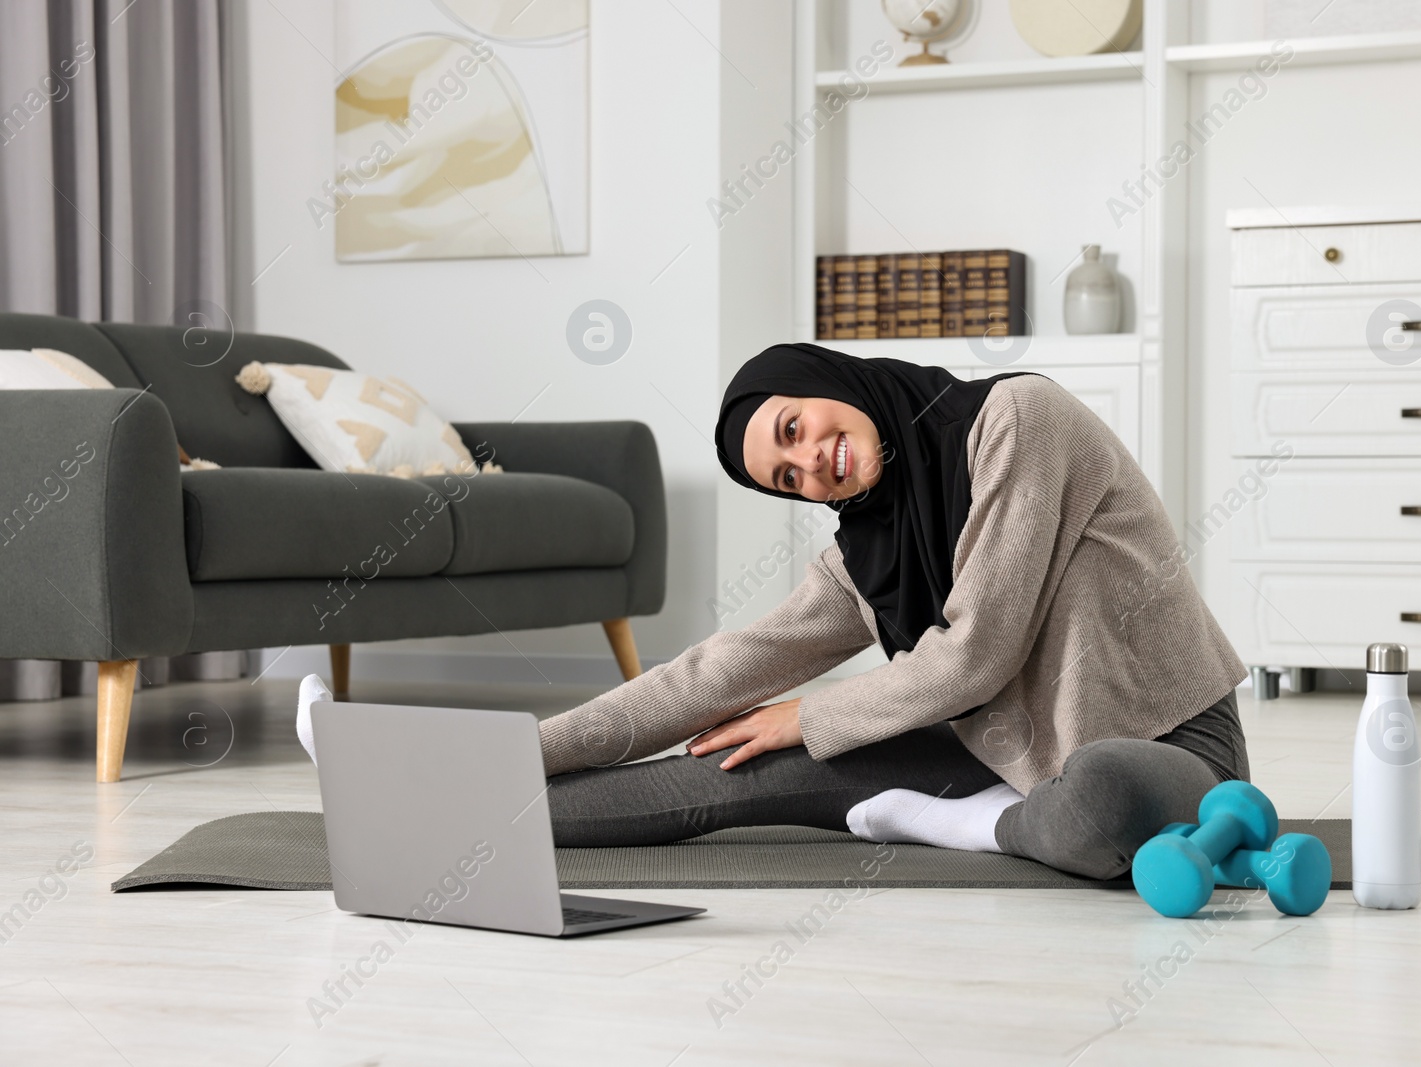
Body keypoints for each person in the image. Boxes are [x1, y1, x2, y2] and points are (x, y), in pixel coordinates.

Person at [303, 344, 1249, 880]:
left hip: (1164, 739)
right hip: (997, 754)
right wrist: (517, 750)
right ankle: (431, 794)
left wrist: (810, 713)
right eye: (786, 476)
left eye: (796, 428)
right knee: (731, 766)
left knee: (1103, 800)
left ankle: (967, 824)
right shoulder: (862, 549)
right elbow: (708, 675)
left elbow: (976, 656)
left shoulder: (1017, 421)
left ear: (827, 379)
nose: (812, 463)